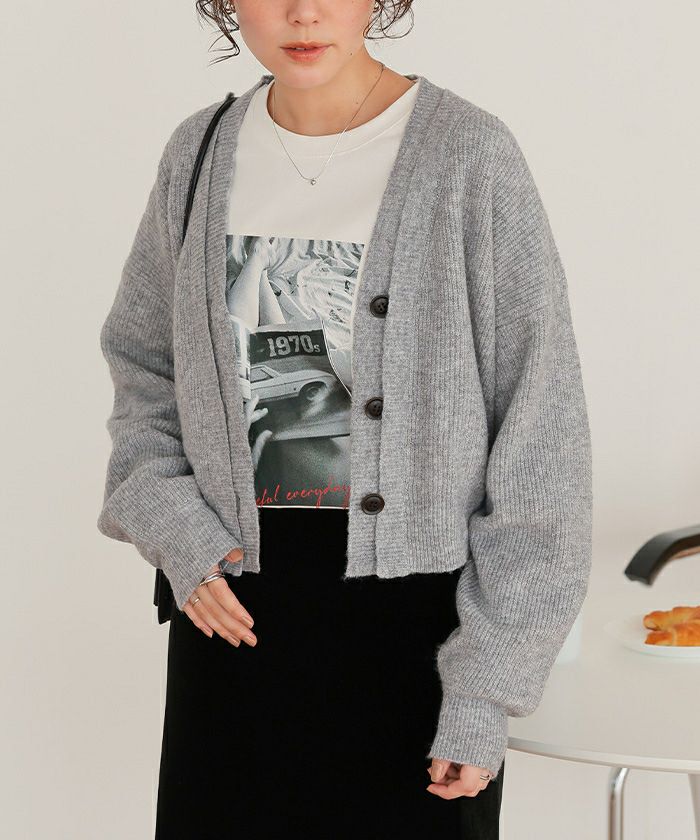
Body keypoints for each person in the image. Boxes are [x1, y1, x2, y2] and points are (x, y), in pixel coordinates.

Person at [96, 1, 594, 838]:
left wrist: (488, 688)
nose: (304, 12)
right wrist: (179, 535)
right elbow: (144, 364)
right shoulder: (201, 150)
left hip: (420, 633)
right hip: (234, 613)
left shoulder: (467, 154)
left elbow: (541, 429)